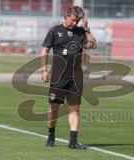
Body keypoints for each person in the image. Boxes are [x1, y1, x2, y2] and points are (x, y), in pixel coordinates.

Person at [41, 6, 97, 149]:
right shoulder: (55, 30)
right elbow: (45, 49)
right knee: (54, 107)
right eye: (73, 20)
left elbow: (93, 45)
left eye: (77, 21)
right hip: (58, 75)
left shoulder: (80, 32)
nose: (75, 23)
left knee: (75, 109)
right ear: (66, 16)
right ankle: (51, 136)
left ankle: (73, 142)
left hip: (75, 76)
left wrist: (87, 29)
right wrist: (44, 70)